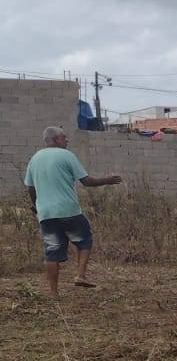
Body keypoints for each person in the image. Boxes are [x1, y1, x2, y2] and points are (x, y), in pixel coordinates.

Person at [25, 126, 122, 297]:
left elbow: (30, 188)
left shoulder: (34, 159)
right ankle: (81, 275)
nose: (67, 140)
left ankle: (54, 293)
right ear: (55, 140)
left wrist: (36, 207)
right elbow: (87, 181)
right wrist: (108, 180)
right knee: (85, 239)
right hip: (68, 210)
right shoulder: (66, 155)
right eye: (64, 137)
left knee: (52, 252)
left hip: (46, 213)